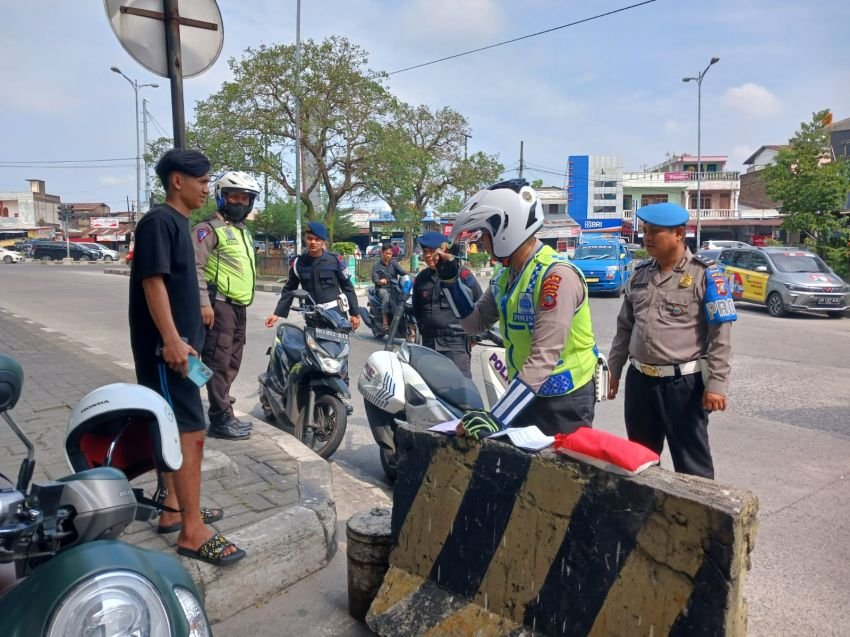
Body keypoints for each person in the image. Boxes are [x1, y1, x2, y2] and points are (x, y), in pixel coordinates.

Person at [129, 148, 245, 566]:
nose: (206, 189)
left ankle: (173, 510)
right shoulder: (159, 222)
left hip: (182, 350)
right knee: (190, 431)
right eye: (202, 181)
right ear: (177, 180)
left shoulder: (180, 224)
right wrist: (173, 340)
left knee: (174, 427)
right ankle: (192, 531)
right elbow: (152, 283)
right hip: (169, 354)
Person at [434, 179, 600, 439]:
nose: (482, 243)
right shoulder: (506, 276)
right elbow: (474, 324)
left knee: (560, 476)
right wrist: (450, 282)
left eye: (484, 234)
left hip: (565, 400)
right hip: (525, 392)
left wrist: (496, 416)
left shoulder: (555, 277)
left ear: (505, 229)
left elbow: (544, 356)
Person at [607, 202, 736, 479]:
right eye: (644, 231)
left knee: (692, 464)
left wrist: (716, 386)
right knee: (640, 461)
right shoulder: (640, 274)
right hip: (640, 381)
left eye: (655, 231)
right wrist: (613, 371)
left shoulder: (706, 274)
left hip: (684, 386)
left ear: (679, 233)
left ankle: (698, 520)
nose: (647, 238)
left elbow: (720, 337)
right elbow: (624, 329)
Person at [193, 170, 261, 441]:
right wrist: (203, 304)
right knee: (218, 362)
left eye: (245, 197)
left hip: (238, 307)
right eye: (234, 196)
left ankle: (225, 411)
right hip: (218, 305)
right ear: (222, 198)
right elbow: (195, 268)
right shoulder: (207, 229)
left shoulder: (242, 231)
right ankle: (220, 419)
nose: (240, 202)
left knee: (233, 360)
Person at [265, 222, 361, 412]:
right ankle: (315, 390)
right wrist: (277, 313)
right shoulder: (299, 263)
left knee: (339, 354)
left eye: (317, 239)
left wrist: (355, 314)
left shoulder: (335, 261)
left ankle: (342, 393)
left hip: (336, 316)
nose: (313, 242)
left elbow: (348, 287)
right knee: (314, 354)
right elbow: (290, 289)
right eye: (309, 239)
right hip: (312, 317)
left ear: (323, 241)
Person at [412, 231, 482, 378]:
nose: (428, 256)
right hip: (429, 343)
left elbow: (479, 301)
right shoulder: (421, 279)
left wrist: (475, 335)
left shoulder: (461, 274)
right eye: (425, 252)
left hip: (455, 343)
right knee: (432, 389)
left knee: (461, 389)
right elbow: (417, 309)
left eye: (432, 251)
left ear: (443, 250)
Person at [371, 242, 408, 329]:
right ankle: (385, 322)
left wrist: (411, 275)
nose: (388, 255)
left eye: (390, 253)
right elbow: (375, 279)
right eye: (387, 253)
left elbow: (402, 272)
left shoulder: (394, 263)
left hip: (394, 287)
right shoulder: (377, 266)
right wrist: (380, 281)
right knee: (386, 297)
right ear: (382, 253)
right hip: (382, 289)